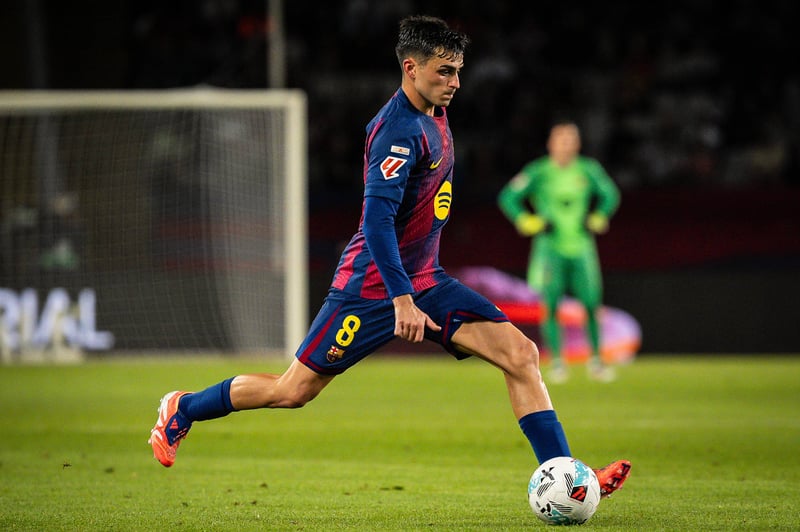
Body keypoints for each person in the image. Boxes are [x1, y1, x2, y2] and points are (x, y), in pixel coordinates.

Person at [149, 15, 630, 498]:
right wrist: (401, 299)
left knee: (521, 355)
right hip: (371, 287)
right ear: (411, 68)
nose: (455, 83)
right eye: (444, 71)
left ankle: (566, 477)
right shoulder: (396, 132)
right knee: (292, 391)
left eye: (458, 71)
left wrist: (415, 288)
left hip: (427, 280)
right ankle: (183, 408)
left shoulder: (435, 113)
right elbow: (376, 222)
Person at [498, 122, 621, 383]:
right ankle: (557, 361)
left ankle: (596, 361)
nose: (566, 144)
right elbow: (508, 197)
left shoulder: (588, 170)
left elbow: (610, 194)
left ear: (577, 144)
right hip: (549, 249)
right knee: (551, 305)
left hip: (582, 247)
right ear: (551, 143)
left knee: (591, 303)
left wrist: (599, 215)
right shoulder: (539, 171)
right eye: (561, 139)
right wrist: (526, 220)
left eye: (570, 139)